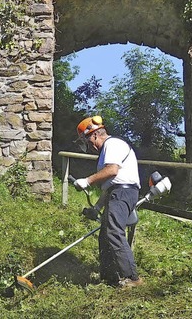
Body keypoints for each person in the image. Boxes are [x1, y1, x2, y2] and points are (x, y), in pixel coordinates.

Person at [72, 115, 144, 288]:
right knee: (105, 236)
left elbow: (112, 171)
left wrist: (87, 180)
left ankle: (132, 278)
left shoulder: (113, 144)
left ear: (95, 135)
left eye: (88, 142)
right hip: (116, 192)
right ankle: (109, 277)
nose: (90, 147)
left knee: (114, 232)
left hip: (123, 193)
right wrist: (97, 208)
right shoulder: (106, 150)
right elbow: (109, 185)